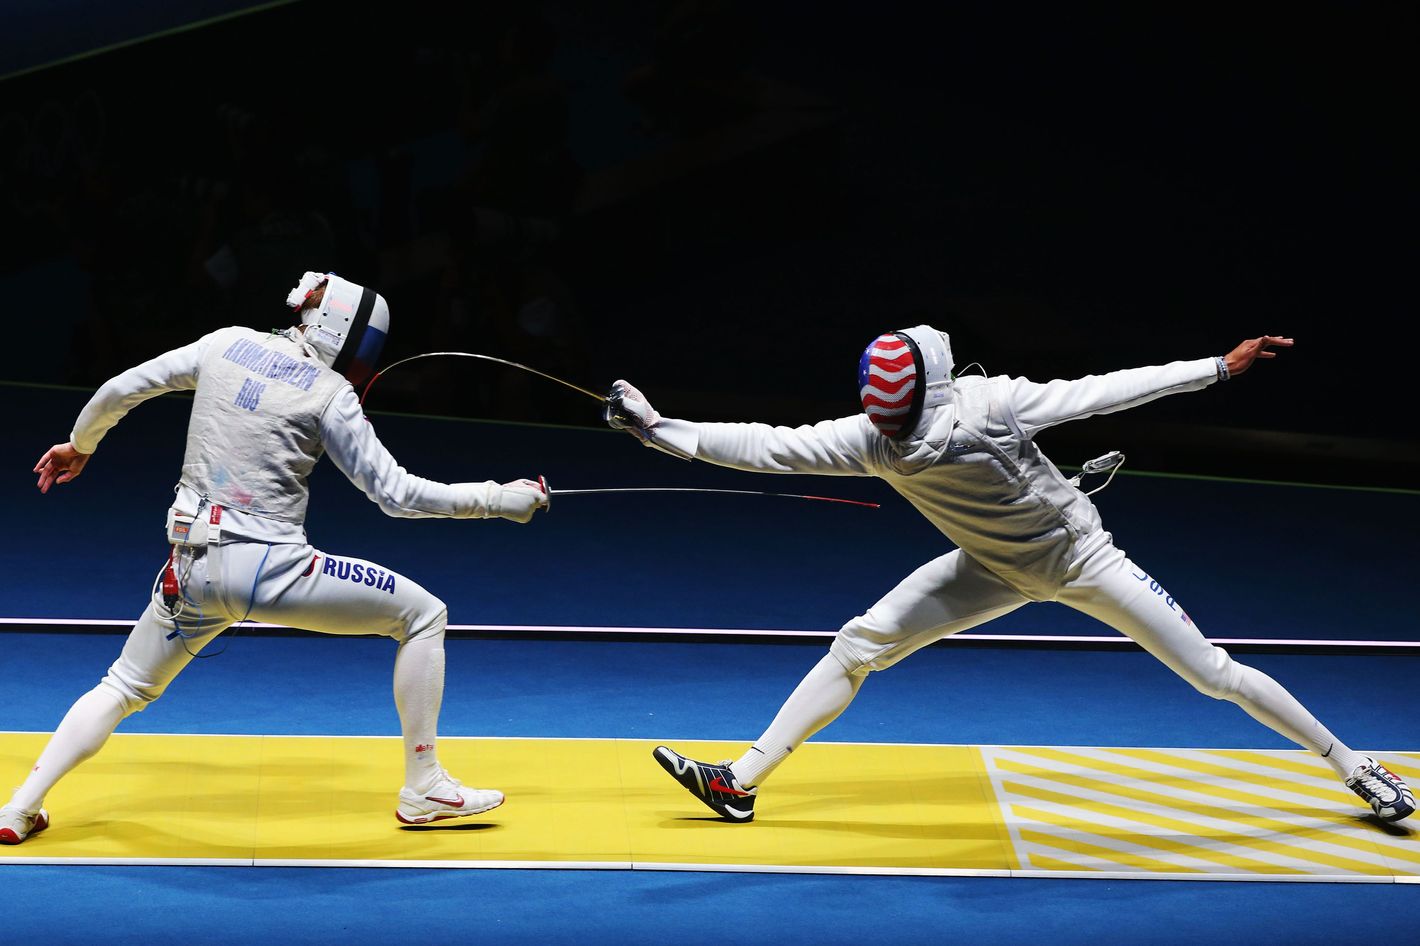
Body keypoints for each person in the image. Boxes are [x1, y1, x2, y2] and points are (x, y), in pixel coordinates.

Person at [605, 327, 1414, 824]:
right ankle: (740, 783)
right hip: (1013, 564)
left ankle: (1352, 764)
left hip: (1077, 563)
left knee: (1209, 673)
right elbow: (1105, 393)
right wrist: (1220, 368)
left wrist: (657, 430)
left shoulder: (867, 438)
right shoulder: (988, 403)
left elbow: (761, 445)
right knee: (1216, 676)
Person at [0, 272, 549, 845]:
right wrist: (499, 500)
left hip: (189, 568)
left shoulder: (224, 343)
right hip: (276, 571)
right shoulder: (329, 393)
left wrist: (79, 445)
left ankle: (18, 807)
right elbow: (398, 495)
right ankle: (425, 787)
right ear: (351, 335)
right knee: (423, 616)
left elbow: (121, 388)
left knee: (122, 686)